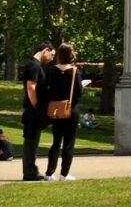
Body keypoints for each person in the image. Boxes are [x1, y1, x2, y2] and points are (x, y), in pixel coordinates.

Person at [43, 43, 84, 181]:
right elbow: (78, 92)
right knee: (69, 142)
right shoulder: (74, 71)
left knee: (56, 142)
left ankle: (49, 173)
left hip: (55, 108)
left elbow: (47, 90)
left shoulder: (51, 70)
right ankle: (64, 174)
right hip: (70, 109)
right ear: (71, 54)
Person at [20, 42, 54, 181]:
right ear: (45, 50)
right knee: (31, 141)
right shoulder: (34, 65)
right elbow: (31, 87)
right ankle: (29, 172)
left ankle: (31, 170)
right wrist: (37, 107)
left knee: (32, 141)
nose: (51, 58)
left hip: (33, 109)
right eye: (51, 55)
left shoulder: (34, 65)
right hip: (33, 110)